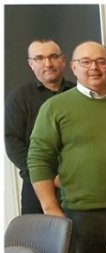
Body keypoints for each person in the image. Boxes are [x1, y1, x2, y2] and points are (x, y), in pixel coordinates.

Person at [27, 41, 106, 253]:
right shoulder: (55, 107)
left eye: (101, 61)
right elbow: (39, 158)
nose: (94, 67)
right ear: (73, 67)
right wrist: (50, 207)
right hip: (80, 214)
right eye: (86, 62)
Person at [5, 39, 76, 215]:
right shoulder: (19, 97)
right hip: (35, 186)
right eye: (39, 58)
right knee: (38, 240)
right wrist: (45, 177)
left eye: (53, 57)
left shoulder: (79, 93)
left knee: (78, 239)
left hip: (76, 183)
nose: (48, 64)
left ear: (63, 60)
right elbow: (12, 141)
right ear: (31, 64)